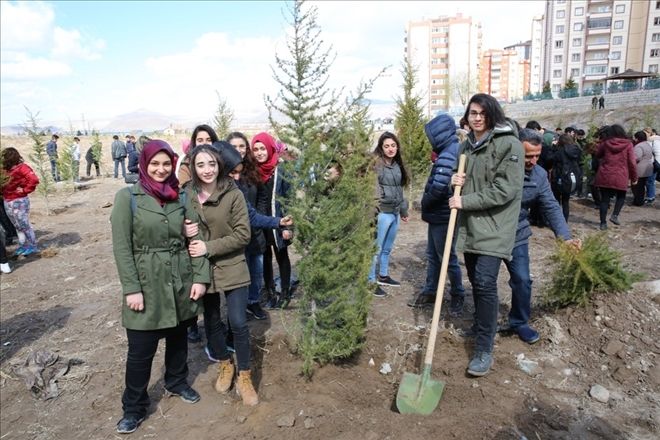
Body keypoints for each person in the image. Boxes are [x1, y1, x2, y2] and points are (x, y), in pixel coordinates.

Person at [110, 140, 209, 434]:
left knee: (178, 340)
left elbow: (195, 241)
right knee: (141, 349)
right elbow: (122, 248)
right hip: (146, 282)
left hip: (180, 280)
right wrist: (132, 288)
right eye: (155, 163)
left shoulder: (181, 197)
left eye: (167, 164)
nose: (161, 169)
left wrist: (200, 279)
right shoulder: (128, 198)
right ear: (144, 163)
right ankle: (134, 406)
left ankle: (176, 381)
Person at [448, 93, 524, 377]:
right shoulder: (465, 146)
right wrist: (453, 182)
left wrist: (465, 201)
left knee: (484, 281)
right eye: (472, 113)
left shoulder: (508, 144)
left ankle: (483, 348)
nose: (476, 118)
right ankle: (482, 325)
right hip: (471, 227)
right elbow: (459, 183)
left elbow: (507, 189)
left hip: (495, 226)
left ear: (492, 114)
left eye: (481, 113)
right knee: (476, 282)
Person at [184, 144, 259, 406]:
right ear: (193, 167)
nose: (207, 170)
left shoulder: (233, 194)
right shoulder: (188, 194)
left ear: (220, 166)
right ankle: (225, 364)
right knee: (212, 323)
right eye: (201, 164)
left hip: (232, 264)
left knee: (238, 322)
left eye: (212, 164)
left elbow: (243, 234)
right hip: (204, 270)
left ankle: (245, 375)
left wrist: (208, 247)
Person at [500, 129, 579, 343]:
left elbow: (551, 207)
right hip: (490, 233)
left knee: (523, 280)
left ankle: (519, 322)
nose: (533, 161)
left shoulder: (539, 175)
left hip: (517, 233)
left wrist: (565, 236)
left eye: (537, 155)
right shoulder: (498, 167)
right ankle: (482, 324)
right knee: (483, 282)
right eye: (528, 156)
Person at [407, 113, 465, 316]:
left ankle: (458, 293)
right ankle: (431, 290)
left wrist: (425, 202)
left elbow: (439, 186)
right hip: (436, 216)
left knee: (447, 257)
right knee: (432, 255)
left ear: (439, 135)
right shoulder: (446, 150)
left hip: (443, 216)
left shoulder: (449, 153)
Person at [183, 125, 220, 343]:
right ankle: (193, 325)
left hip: (214, 240)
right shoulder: (186, 169)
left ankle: (211, 328)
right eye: (200, 139)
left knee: (210, 294)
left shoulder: (218, 170)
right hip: (195, 240)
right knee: (194, 283)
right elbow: (177, 204)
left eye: (208, 139)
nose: (204, 143)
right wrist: (183, 228)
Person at [252, 132, 294, 308]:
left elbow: (290, 198)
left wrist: (289, 226)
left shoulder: (281, 169)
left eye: (263, 148)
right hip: (261, 221)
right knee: (265, 257)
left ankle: (284, 290)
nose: (260, 152)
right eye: (255, 149)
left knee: (282, 256)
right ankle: (268, 289)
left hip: (280, 221)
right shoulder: (253, 171)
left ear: (270, 148)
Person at [368, 132, 409, 298]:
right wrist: (373, 214)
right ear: (381, 147)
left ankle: (383, 276)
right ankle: (370, 281)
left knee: (387, 248)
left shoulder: (398, 165)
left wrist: (404, 210)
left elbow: (400, 190)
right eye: (386, 146)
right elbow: (373, 191)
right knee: (375, 250)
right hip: (383, 213)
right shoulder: (376, 165)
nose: (390, 149)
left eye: (393, 145)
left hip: (395, 212)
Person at [594, 125, 637, 230]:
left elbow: (598, 155)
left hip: (605, 173)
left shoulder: (605, 143)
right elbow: (632, 162)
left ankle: (603, 223)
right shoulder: (628, 144)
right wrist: (634, 177)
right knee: (621, 196)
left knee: (604, 200)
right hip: (621, 174)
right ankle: (615, 215)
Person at [1, 148, 40, 256]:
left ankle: (32, 246)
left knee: (24, 224)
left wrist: (24, 190)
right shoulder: (5, 170)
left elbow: (34, 180)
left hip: (19, 201)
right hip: (7, 201)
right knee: (17, 226)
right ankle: (24, 245)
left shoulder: (22, 167)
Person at [550, 134, 582, 221]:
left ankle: (556, 220)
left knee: (556, 200)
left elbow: (551, 159)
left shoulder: (560, 151)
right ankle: (565, 220)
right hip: (571, 178)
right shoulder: (576, 150)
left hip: (560, 177)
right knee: (566, 201)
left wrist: (553, 148)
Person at [631, 131, 654, 206]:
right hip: (647, 168)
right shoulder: (647, 144)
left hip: (640, 169)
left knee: (637, 187)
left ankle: (638, 201)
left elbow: (637, 157)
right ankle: (639, 200)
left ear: (637, 138)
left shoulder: (639, 146)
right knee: (641, 186)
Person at [643, 127, 660, 204]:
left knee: (650, 180)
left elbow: (649, 152)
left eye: (645, 132)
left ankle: (650, 197)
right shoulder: (658, 139)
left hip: (654, 163)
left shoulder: (651, 140)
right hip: (658, 162)